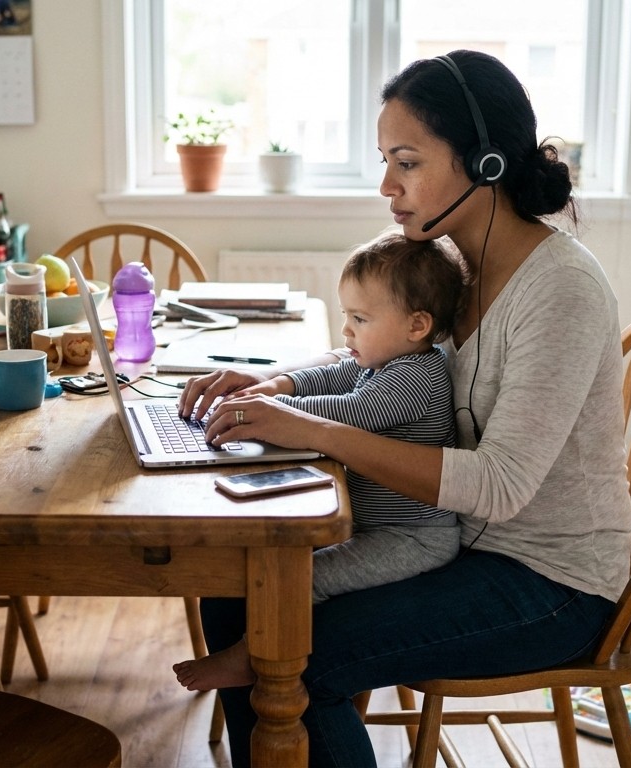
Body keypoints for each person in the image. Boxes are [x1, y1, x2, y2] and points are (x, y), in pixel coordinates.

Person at [178, 49, 631, 767]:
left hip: (552, 585)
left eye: (408, 161)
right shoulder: (462, 265)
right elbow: (386, 355)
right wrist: (273, 384)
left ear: (484, 163)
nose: (388, 185)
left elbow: (500, 486)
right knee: (237, 593)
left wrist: (310, 427)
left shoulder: (562, 291)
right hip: (467, 547)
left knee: (290, 653)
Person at [173, 230, 467, 692]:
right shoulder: (389, 360)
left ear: (417, 326)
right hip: (381, 527)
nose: (346, 330)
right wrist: (278, 386)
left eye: (360, 318)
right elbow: (338, 371)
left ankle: (252, 657)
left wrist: (275, 415)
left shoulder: (417, 379)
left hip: (414, 538)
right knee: (260, 558)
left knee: (306, 577)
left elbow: (351, 412)